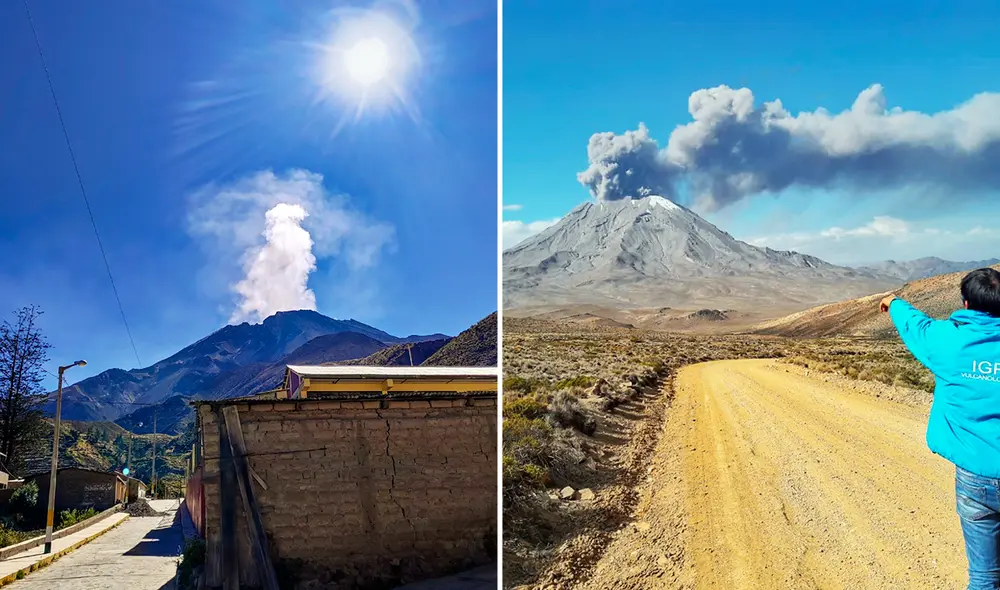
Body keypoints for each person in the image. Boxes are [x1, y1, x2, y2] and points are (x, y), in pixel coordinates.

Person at [880, 267, 1000, 590]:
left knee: (985, 577)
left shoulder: (947, 342)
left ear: (964, 303)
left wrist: (893, 303)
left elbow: (915, 325)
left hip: (975, 478)